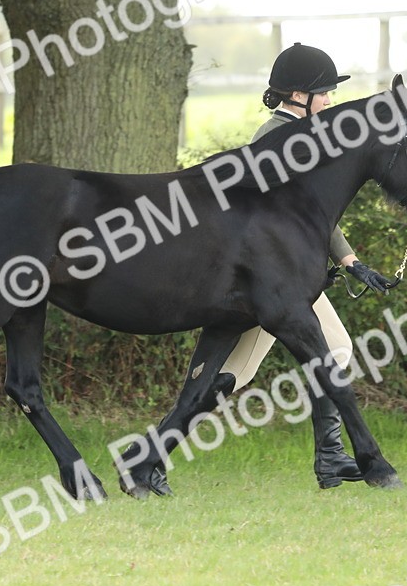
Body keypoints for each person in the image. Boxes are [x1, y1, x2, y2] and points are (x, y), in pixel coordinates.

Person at [148, 43, 391, 495]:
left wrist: (350, 260)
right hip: (264, 284)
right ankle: (153, 455)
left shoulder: (305, 137)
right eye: (325, 93)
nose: (331, 101)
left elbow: (312, 216)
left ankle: (332, 458)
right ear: (300, 95)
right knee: (236, 375)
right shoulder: (273, 137)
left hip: (283, 283)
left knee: (330, 352)